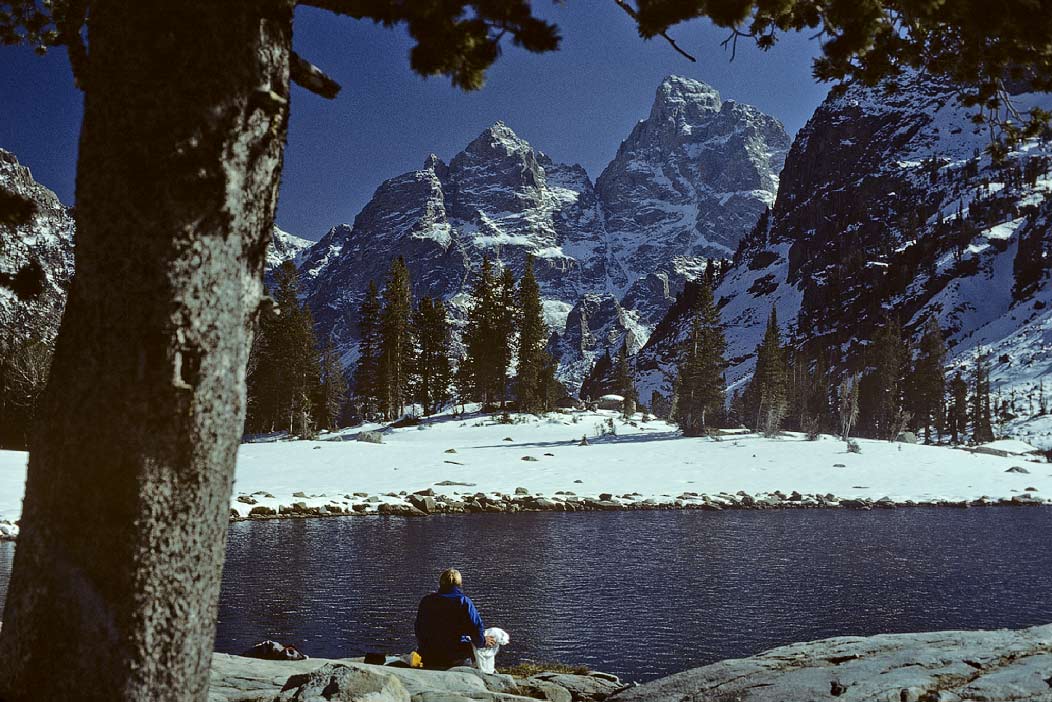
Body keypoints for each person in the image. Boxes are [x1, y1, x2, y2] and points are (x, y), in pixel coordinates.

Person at [415, 568, 495, 669]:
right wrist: (482, 641)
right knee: (494, 635)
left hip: (428, 655)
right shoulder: (463, 601)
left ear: (441, 583)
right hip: (455, 656)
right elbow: (476, 627)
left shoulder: (426, 601)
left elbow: (419, 629)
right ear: (460, 584)